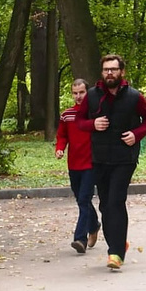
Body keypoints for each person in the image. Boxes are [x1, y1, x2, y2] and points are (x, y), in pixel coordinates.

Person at [76, 54, 146, 269]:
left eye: (113, 69)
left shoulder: (134, 96)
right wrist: (93, 124)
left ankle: (116, 253)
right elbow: (79, 122)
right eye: (106, 70)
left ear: (122, 72)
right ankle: (119, 243)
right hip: (100, 158)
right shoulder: (92, 96)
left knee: (115, 202)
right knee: (104, 204)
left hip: (124, 158)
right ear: (101, 73)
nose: (109, 73)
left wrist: (135, 135)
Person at [55, 79, 101, 254]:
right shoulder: (67, 115)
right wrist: (60, 149)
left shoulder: (94, 114)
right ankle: (94, 224)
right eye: (75, 93)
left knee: (83, 199)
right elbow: (62, 135)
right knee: (81, 199)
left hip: (91, 163)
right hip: (74, 164)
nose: (78, 96)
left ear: (87, 93)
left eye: (82, 92)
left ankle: (80, 239)